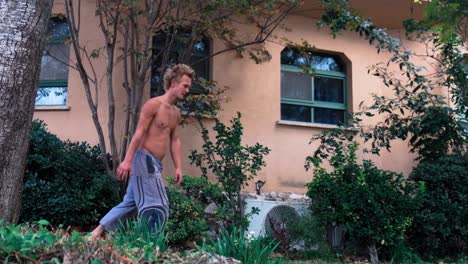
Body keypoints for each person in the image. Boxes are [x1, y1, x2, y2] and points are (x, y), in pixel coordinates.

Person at [90, 64, 194, 239]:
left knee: (130, 203)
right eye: (185, 85)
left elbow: (175, 140)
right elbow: (139, 133)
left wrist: (178, 167)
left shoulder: (176, 113)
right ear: (174, 83)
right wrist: (128, 160)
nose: (187, 90)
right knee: (158, 204)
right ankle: (150, 242)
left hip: (156, 164)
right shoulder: (153, 105)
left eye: (189, 87)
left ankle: (96, 233)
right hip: (144, 159)